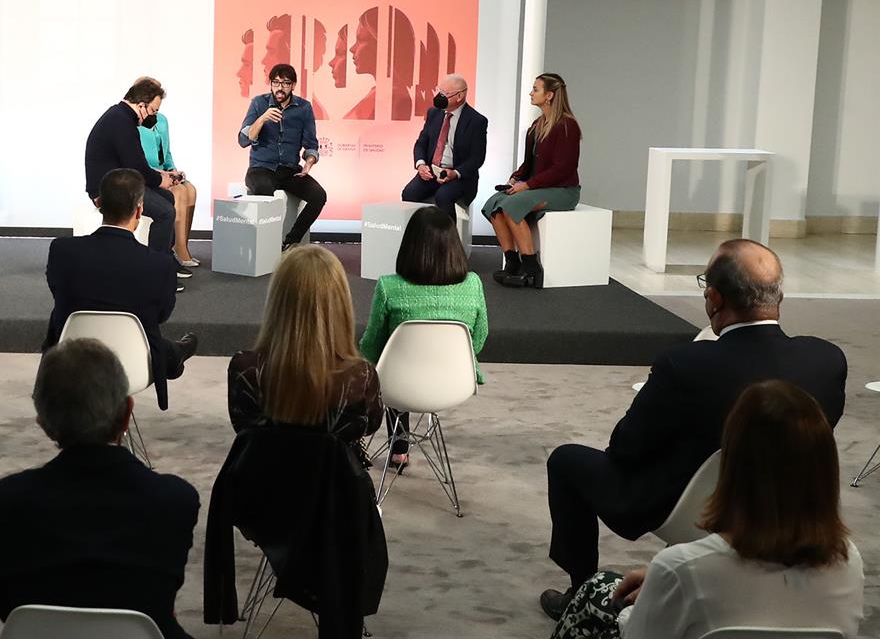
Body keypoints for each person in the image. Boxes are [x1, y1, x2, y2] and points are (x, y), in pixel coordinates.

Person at [538, 239, 848, 621]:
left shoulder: (685, 364)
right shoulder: (827, 360)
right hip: (787, 502)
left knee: (566, 460)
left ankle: (582, 590)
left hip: (689, 508)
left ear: (714, 299)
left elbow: (625, 448)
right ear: (777, 297)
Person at [550, 380, 864, 639]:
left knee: (597, 591)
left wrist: (659, 585)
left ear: (732, 465)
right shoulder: (849, 559)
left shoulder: (681, 568)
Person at [0, 338, 200, 639]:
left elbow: (8, 605)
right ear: (127, 412)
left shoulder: (6, 500)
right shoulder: (175, 500)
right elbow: (161, 603)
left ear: (43, 423)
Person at [43, 168, 199, 411]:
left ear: (98, 202)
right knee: (156, 338)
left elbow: (57, 292)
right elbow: (161, 315)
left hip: (69, 359)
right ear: (140, 209)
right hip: (133, 364)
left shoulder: (61, 251)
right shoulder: (159, 265)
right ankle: (175, 353)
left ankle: (175, 351)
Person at [359, 206, 488, 470]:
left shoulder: (389, 286)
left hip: (398, 384)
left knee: (390, 361)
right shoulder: (473, 284)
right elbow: (479, 338)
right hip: (455, 383)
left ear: (409, 245)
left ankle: (399, 450)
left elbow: (371, 345)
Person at [228, 244, 382, 445]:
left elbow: (242, 425)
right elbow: (370, 425)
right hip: (336, 475)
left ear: (277, 300)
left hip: (264, 473)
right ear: (341, 303)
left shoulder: (245, 369)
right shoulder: (361, 377)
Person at [84, 76, 189, 282]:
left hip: (119, 183)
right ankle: (157, 272)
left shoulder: (120, 117)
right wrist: (161, 180)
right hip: (108, 191)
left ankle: (165, 258)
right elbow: (136, 167)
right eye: (153, 111)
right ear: (141, 105)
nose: (154, 116)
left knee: (167, 199)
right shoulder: (122, 122)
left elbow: (135, 163)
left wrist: (163, 176)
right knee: (166, 212)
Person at [482, 72, 581, 288]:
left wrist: (527, 185)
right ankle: (512, 262)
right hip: (538, 187)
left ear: (550, 95)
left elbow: (563, 169)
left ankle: (532, 268)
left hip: (562, 190)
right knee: (493, 205)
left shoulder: (567, 126)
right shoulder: (536, 125)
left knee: (512, 205)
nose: (531, 92)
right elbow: (528, 165)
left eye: (535, 89)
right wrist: (516, 178)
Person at [238, 63, 326, 251]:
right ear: (270, 84)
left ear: (293, 85)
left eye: (285, 83)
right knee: (264, 189)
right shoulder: (258, 103)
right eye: (276, 82)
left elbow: (311, 144)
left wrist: (308, 164)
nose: (280, 87)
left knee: (319, 195)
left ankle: (290, 241)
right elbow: (243, 139)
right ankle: (265, 247)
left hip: (289, 170)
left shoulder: (304, 108)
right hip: (261, 168)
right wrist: (262, 118)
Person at [400, 74, 488, 220]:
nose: (438, 97)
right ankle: (414, 237)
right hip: (431, 172)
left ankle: (446, 240)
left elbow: (477, 158)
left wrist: (455, 173)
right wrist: (421, 165)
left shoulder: (476, 121)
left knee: (444, 196)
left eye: (444, 94)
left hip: (459, 177)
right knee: (409, 193)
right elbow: (421, 143)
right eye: (439, 92)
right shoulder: (433, 113)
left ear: (459, 96)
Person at [138, 94, 199, 267]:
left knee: (191, 190)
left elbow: (166, 151)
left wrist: (173, 170)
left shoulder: (162, 120)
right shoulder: (135, 123)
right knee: (178, 192)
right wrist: (163, 175)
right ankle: (178, 249)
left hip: (163, 171)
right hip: (148, 174)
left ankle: (183, 245)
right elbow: (139, 160)